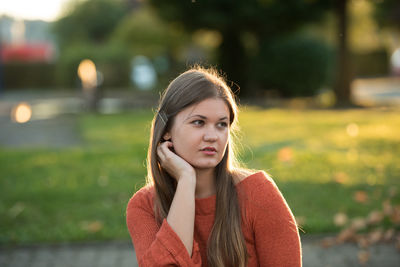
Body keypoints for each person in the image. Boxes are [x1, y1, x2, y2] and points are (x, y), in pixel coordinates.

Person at [126, 66, 302, 266]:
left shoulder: (258, 193)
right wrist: (186, 180)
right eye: (199, 122)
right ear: (166, 130)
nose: (212, 136)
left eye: (221, 124)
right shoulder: (145, 206)